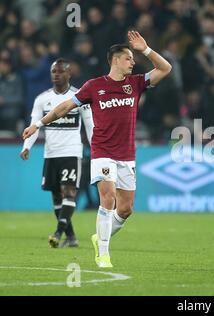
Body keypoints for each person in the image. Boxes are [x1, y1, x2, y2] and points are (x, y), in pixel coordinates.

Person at [23, 31, 172, 268]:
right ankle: (103, 254)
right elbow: (64, 107)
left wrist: (145, 49)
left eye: (134, 58)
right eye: (129, 58)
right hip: (102, 151)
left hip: (127, 154)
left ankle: (99, 237)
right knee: (108, 198)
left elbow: (165, 69)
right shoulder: (94, 86)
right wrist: (38, 124)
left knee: (126, 208)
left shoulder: (135, 84)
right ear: (115, 60)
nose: (133, 62)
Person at [20, 58, 94, 248]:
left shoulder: (80, 97)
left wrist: (96, 148)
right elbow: (33, 127)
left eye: (61, 71)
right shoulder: (42, 99)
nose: (56, 74)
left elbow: (90, 126)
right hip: (50, 154)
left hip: (72, 152)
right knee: (56, 196)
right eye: (54, 71)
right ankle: (71, 237)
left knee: (69, 191)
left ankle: (58, 232)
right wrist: (26, 146)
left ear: (69, 74)